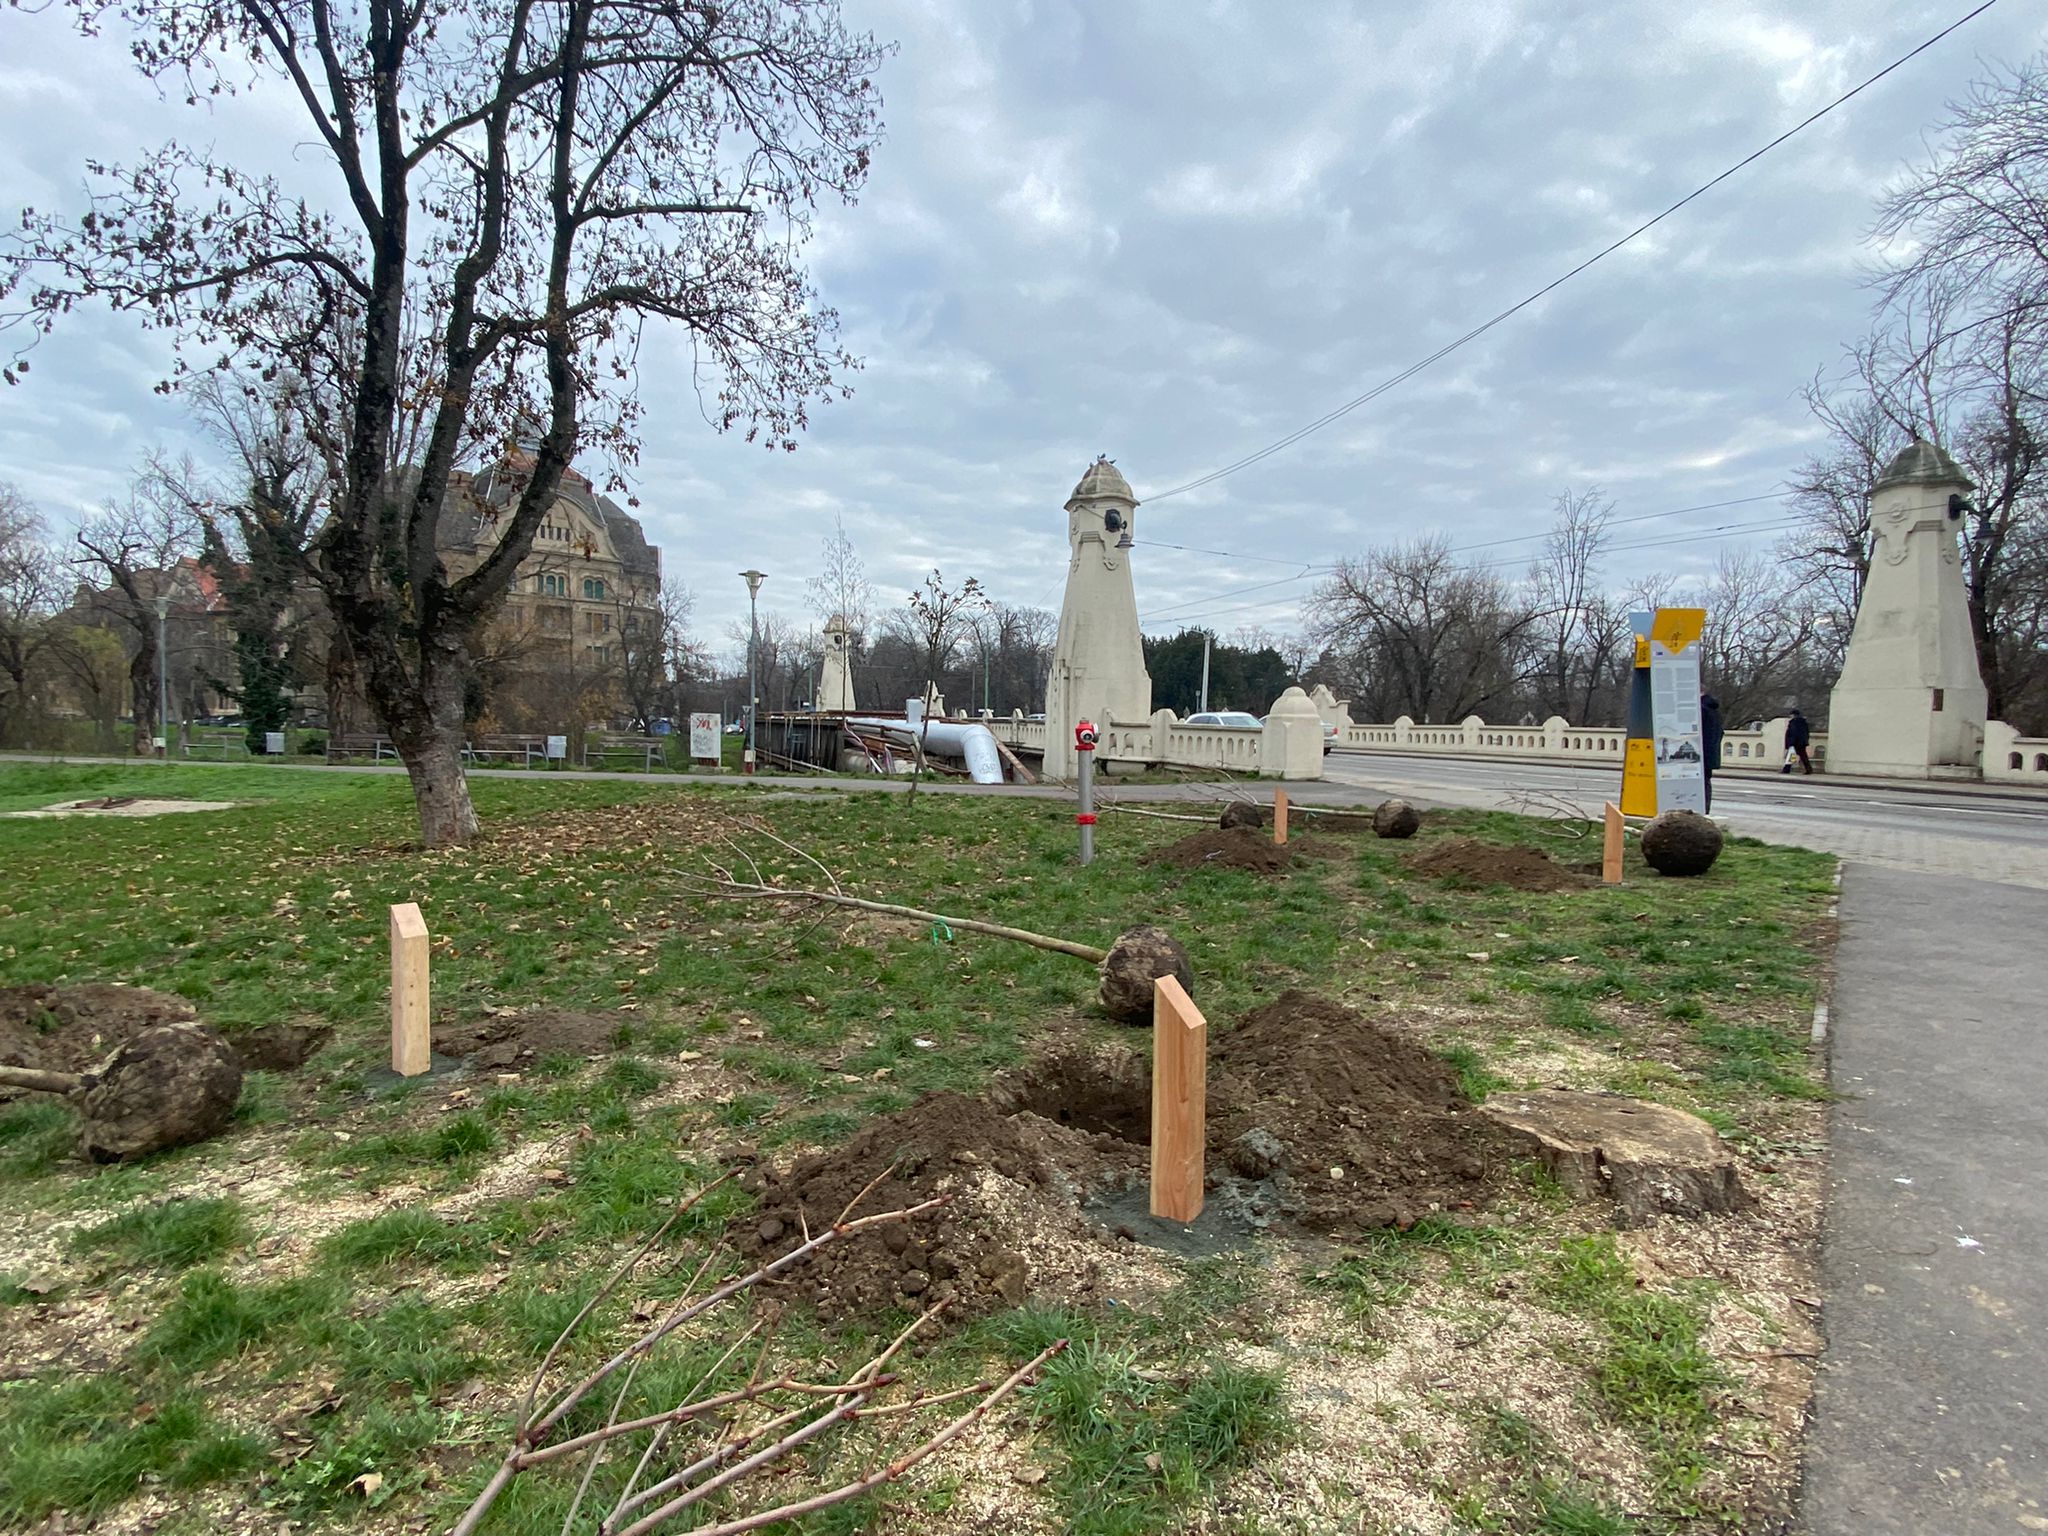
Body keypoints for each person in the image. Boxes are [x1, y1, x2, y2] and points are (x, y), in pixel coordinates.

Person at [1700, 693, 1724, 810]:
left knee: (1701, 784)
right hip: (1710, 754)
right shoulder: (1714, 711)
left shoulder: (1701, 709)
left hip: (1700, 754)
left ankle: (1702, 810)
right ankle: (1705, 809)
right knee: (1706, 782)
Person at [1783, 707, 1813, 774]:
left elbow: (1793, 733)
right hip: (1801, 742)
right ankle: (1808, 769)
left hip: (1795, 742)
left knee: (1792, 755)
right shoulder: (1803, 722)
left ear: (1793, 715)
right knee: (1802, 756)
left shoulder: (1794, 722)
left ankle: (1786, 769)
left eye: (1791, 714)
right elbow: (1806, 733)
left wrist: (1791, 742)